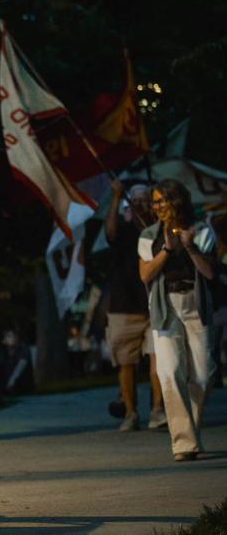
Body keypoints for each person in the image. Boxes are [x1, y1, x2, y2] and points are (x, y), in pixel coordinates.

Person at [138, 179, 217, 461]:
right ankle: (183, 443)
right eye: (155, 201)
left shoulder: (201, 230)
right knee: (170, 372)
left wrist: (191, 247)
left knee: (203, 375)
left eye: (163, 201)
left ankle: (191, 431)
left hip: (196, 304)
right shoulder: (149, 234)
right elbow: (146, 275)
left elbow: (210, 273)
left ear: (178, 201)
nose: (158, 207)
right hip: (165, 306)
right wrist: (167, 250)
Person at [104, 181, 165, 431]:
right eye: (135, 199)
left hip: (153, 305)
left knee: (157, 359)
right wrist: (116, 198)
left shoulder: (157, 231)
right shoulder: (124, 230)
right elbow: (110, 233)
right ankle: (130, 412)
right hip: (124, 307)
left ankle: (157, 410)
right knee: (125, 362)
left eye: (144, 199)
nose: (140, 203)